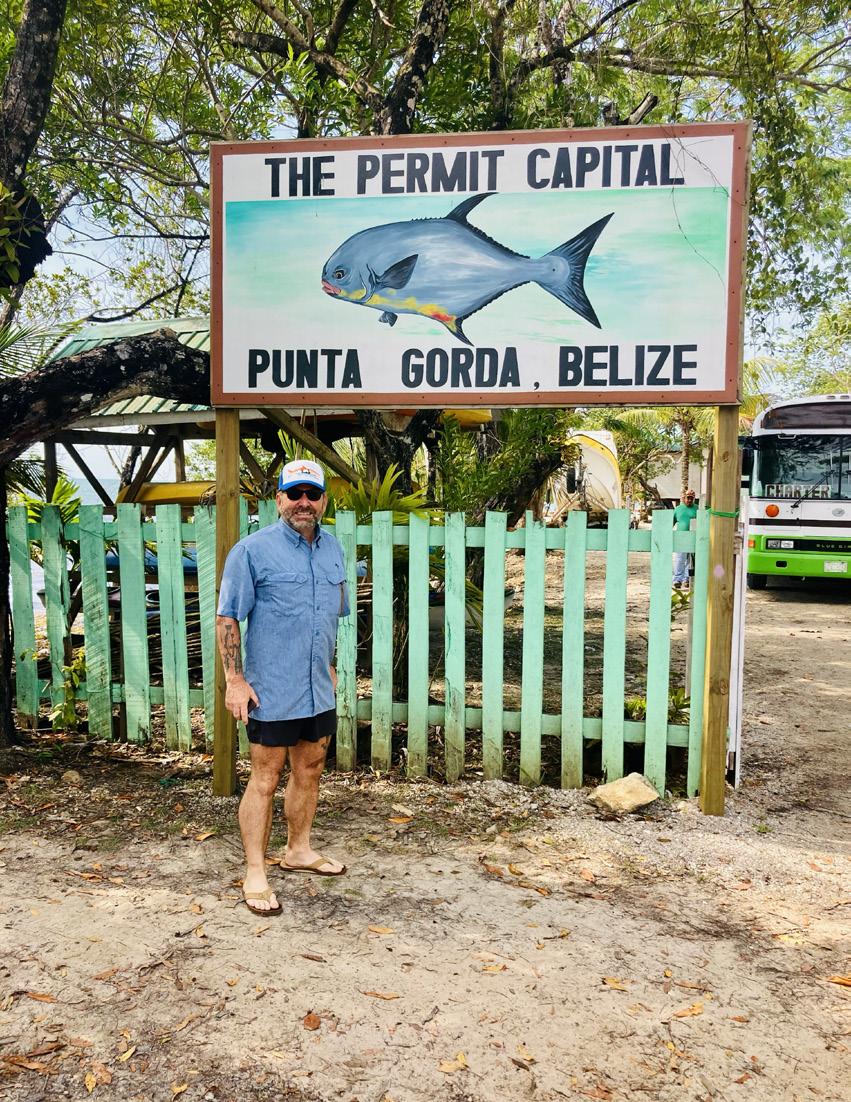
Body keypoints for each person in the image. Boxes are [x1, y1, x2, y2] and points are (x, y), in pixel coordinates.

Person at [216, 458, 349, 916]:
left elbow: (328, 616)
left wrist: (329, 665)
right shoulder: (252, 551)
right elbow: (227, 617)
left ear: (324, 500)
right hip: (270, 688)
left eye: (312, 494)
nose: (303, 502)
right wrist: (235, 680)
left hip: (317, 686)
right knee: (265, 778)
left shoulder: (334, 550)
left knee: (310, 768)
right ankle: (255, 871)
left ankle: (298, 850)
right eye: (295, 494)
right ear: (279, 500)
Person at [672, 488, 698, 589]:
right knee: (679, 559)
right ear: (684, 498)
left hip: (693, 537)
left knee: (690, 559)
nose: (689, 500)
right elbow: (672, 521)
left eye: (691, 498)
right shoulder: (678, 509)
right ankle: (677, 580)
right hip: (681, 537)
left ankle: (687, 580)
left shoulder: (697, 508)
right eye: (688, 497)